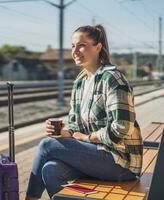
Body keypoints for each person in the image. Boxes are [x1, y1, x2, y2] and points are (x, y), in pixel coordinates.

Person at [25, 24, 143, 200]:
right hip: (93, 155)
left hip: (120, 161)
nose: (75, 51)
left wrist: (88, 138)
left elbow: (122, 128)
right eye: (73, 46)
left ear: (98, 47)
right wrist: (66, 132)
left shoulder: (113, 79)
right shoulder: (80, 82)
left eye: (81, 45)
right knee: (50, 169)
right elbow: (75, 125)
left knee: (46, 145)